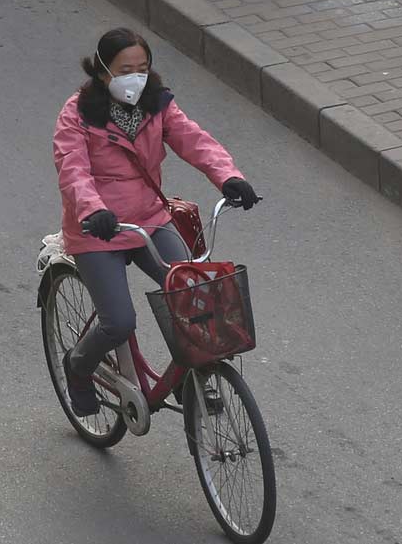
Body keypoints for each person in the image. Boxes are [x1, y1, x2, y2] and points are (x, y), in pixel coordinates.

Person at [52, 27, 259, 417]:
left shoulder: (158, 105)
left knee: (196, 296)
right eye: (125, 69)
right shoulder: (76, 113)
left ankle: (188, 377)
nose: (135, 76)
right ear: (102, 72)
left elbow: (194, 141)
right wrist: (92, 210)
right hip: (98, 229)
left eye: (142, 67)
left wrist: (228, 176)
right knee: (119, 323)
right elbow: (72, 169)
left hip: (150, 219)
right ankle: (77, 367)